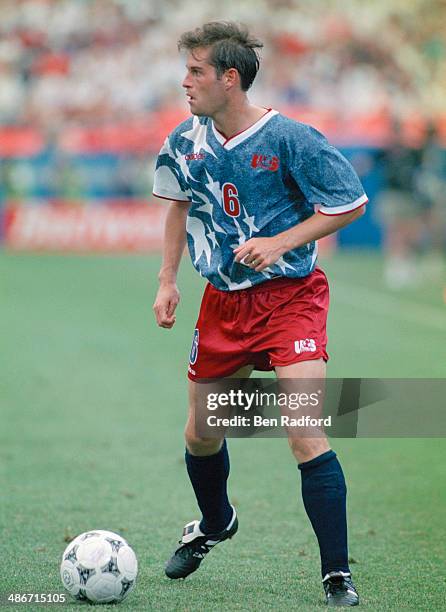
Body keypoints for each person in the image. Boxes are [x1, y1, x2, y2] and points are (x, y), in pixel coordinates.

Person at [153, 21, 367, 607]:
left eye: (195, 71)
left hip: (290, 301)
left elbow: (348, 203)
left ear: (229, 78)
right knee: (201, 432)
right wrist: (168, 281)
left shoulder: (292, 138)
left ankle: (336, 573)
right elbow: (176, 204)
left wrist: (279, 242)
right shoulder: (185, 141)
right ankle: (217, 521)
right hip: (222, 304)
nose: (185, 81)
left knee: (304, 430)